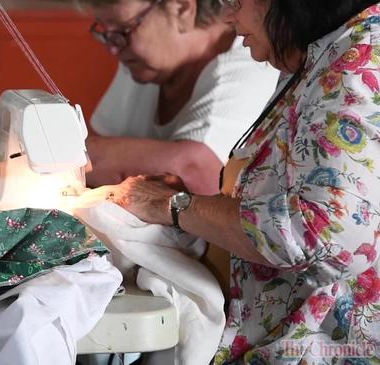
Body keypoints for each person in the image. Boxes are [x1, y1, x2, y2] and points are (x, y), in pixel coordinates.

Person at [92, 0, 380, 363]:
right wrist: (186, 201)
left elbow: (323, 233)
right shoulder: (319, 57)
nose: (229, 17)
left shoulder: (355, 67)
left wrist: (174, 207)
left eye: (235, 1)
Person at [81, 0, 280, 194]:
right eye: (105, 33)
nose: (113, 48)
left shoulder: (248, 65)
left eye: (123, 30)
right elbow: (99, 143)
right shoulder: (139, 64)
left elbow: (200, 174)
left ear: (181, 9)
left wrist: (83, 154)